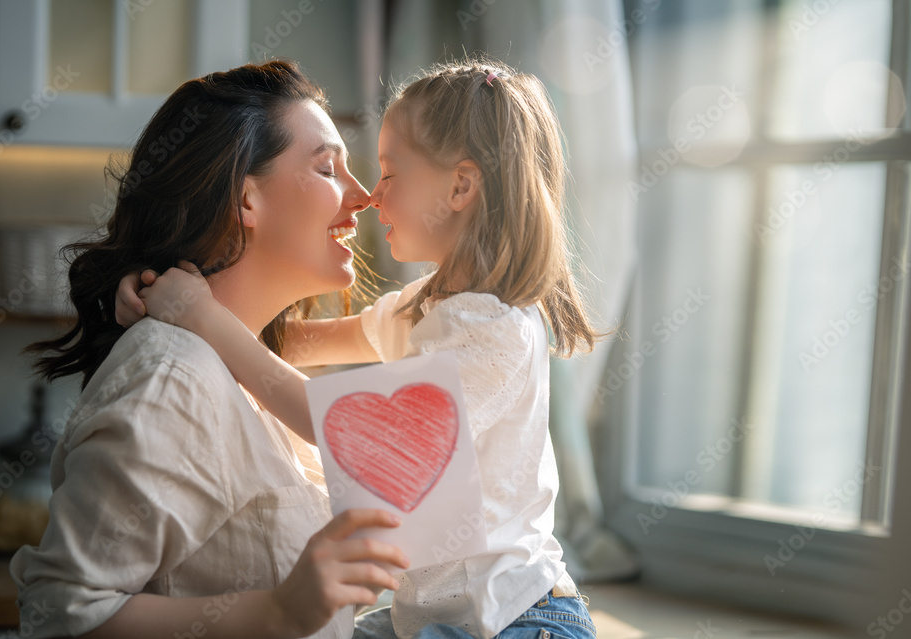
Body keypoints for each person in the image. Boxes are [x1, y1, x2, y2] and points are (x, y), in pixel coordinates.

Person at [117, 59, 600, 639]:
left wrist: (202, 317)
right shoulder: (426, 306)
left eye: (391, 174)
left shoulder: (492, 330)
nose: (371, 196)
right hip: (437, 617)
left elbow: (350, 434)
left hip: (516, 620)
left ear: (460, 187)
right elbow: (289, 344)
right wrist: (166, 299)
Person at [10, 60, 410, 639]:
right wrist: (277, 614)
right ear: (246, 199)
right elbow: (58, 614)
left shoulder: (242, 366)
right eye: (328, 168)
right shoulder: (173, 382)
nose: (364, 195)